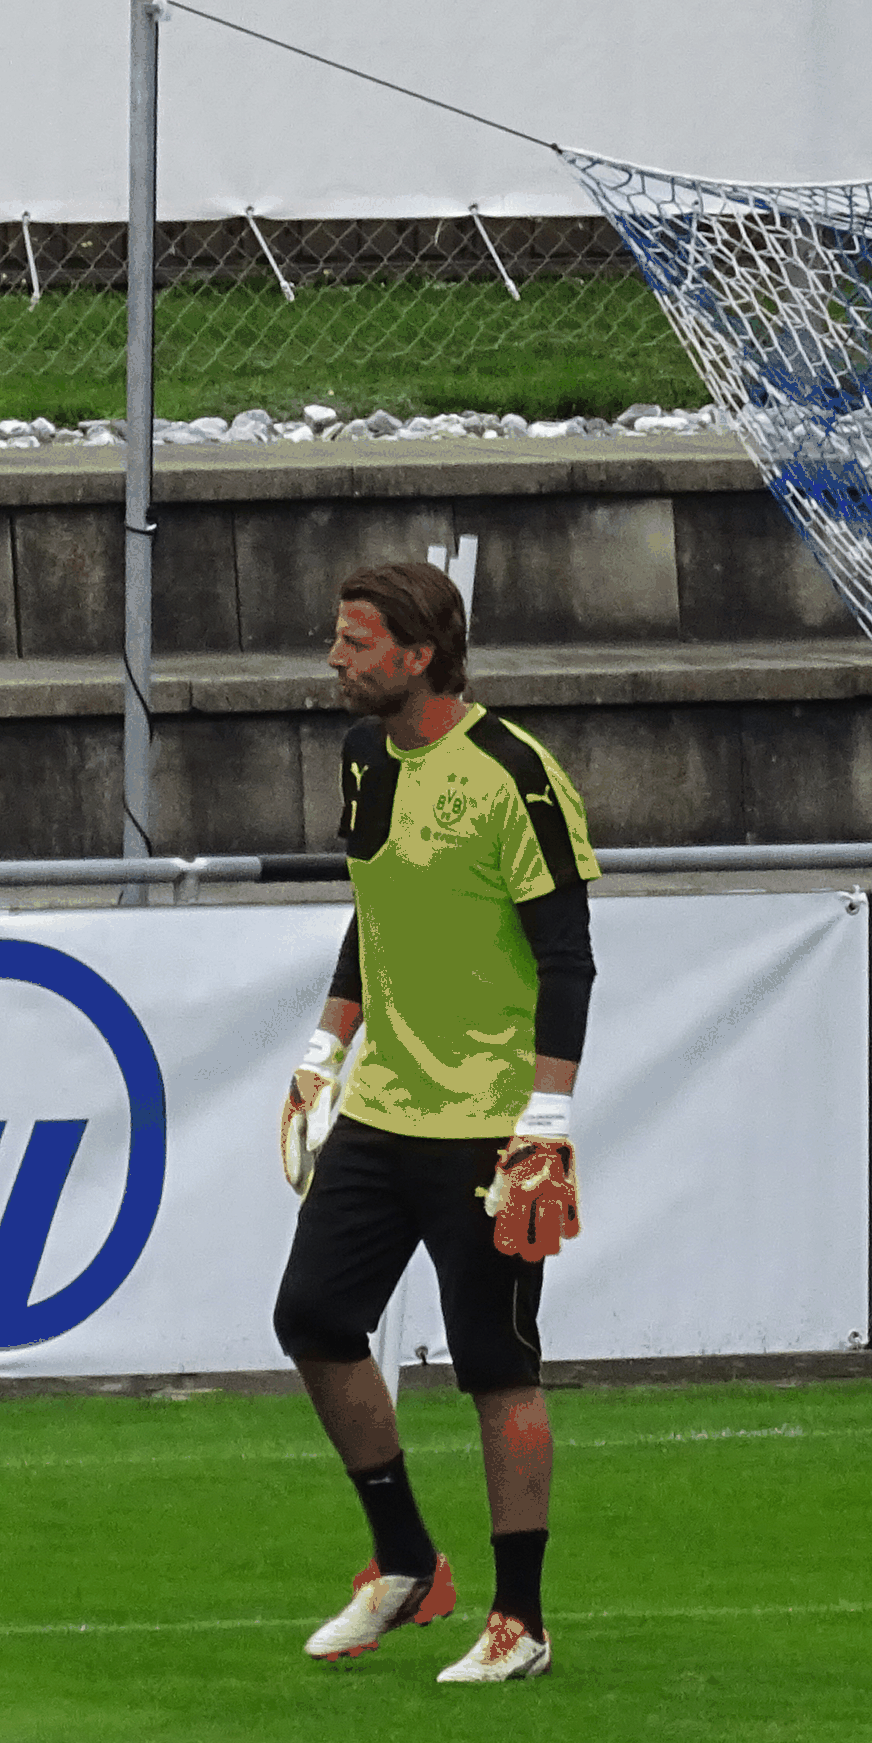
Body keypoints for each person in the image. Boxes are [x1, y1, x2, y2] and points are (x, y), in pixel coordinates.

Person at [271, 562, 594, 1684]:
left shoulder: (515, 775)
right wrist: (325, 1050)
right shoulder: (363, 760)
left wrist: (544, 1120)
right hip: (383, 1108)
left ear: (415, 656)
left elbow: (566, 959)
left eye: (353, 641)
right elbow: (371, 915)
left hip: (488, 1124)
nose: (334, 657)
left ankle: (521, 1620)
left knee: (496, 1368)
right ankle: (407, 1562)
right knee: (311, 1318)